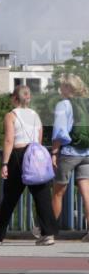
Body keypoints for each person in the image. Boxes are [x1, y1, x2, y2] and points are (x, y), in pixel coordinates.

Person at [0, 86, 59, 246]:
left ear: (15, 98)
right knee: (42, 195)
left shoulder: (11, 115)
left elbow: (9, 140)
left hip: (18, 156)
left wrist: (4, 163)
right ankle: (48, 234)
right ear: (28, 99)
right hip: (35, 154)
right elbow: (39, 137)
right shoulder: (36, 115)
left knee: (10, 196)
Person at [50, 74, 89, 241]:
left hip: (68, 153)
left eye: (62, 86)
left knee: (58, 192)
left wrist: (54, 152)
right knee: (87, 193)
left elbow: (60, 131)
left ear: (69, 88)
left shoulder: (63, 105)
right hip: (86, 152)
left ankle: (48, 231)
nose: (60, 89)